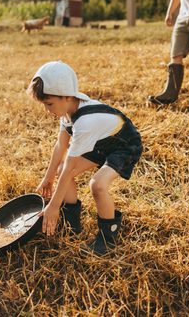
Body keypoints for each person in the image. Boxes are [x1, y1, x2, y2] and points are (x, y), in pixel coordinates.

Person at [26, 61, 143, 256]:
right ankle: (72, 226)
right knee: (63, 168)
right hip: (100, 142)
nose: (47, 109)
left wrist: (54, 206)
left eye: (49, 103)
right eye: (44, 104)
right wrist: (48, 177)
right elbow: (60, 146)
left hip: (124, 145)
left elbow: (71, 168)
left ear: (67, 96)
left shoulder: (85, 123)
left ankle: (107, 239)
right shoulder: (67, 112)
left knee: (97, 184)